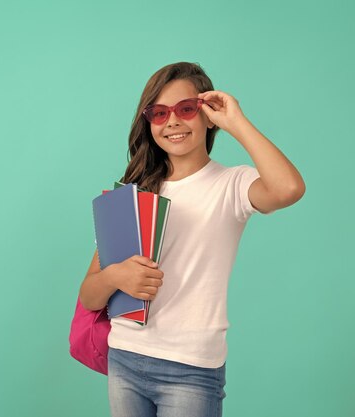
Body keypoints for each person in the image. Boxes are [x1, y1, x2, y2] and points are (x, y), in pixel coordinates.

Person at [78, 62, 305, 417]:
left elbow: (289, 188)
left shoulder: (232, 185)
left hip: (191, 369)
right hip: (124, 358)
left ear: (207, 116)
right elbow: (90, 294)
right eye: (159, 112)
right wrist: (116, 276)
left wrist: (237, 123)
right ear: (147, 121)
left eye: (186, 109)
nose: (172, 121)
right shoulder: (133, 195)